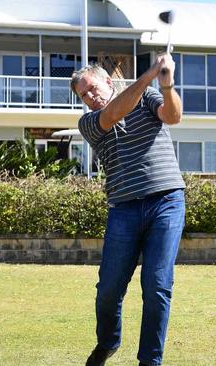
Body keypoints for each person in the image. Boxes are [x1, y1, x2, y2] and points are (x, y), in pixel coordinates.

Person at [71, 54, 186, 366]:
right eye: (84, 94)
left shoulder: (149, 95)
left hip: (166, 201)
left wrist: (166, 85)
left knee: (157, 285)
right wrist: (151, 73)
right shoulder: (90, 123)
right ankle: (107, 342)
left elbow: (173, 116)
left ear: (108, 81)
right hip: (124, 208)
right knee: (109, 288)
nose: (90, 96)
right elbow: (112, 113)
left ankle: (150, 361)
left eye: (92, 88)